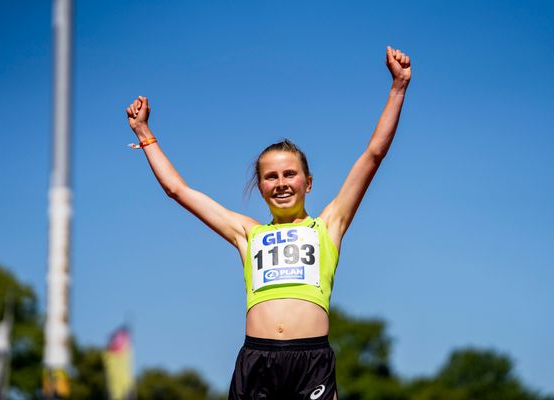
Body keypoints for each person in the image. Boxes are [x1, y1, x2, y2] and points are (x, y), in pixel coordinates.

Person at [126, 46, 411, 400]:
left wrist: (398, 88)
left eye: (290, 174)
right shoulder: (248, 234)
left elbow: (373, 154)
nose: (281, 183)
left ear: (308, 182)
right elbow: (178, 190)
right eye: (270, 176)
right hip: (256, 360)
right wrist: (143, 133)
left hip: (312, 362)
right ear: (260, 186)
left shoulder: (328, 225)